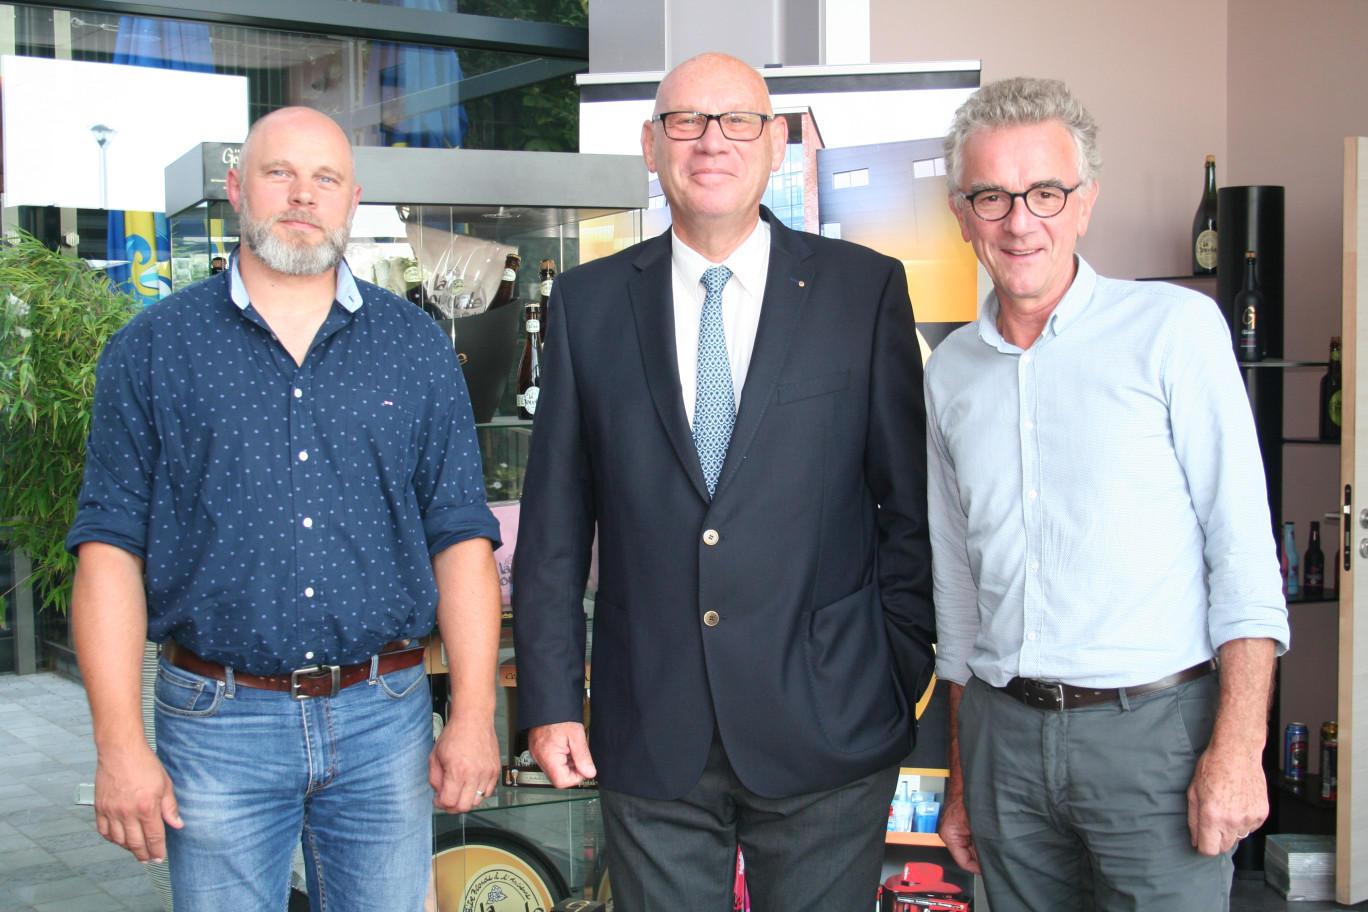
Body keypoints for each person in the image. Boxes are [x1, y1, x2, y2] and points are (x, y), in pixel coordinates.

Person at [511, 52, 935, 911]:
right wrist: (551, 702)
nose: (713, 141)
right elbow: (554, 526)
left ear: (775, 143)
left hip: (830, 719)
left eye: (738, 120)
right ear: (650, 144)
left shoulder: (864, 291)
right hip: (650, 726)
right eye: (687, 121)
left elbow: (909, 507)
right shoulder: (587, 306)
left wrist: (897, 666)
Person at [66, 106, 502, 912]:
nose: (303, 195)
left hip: (386, 718)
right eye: (279, 173)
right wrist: (118, 745)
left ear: (353, 198)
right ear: (236, 188)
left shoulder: (414, 347)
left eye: (325, 178)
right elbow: (108, 550)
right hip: (216, 722)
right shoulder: (155, 347)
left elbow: (461, 539)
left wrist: (473, 714)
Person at [925, 77, 1291, 911]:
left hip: (1157, 740)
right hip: (1001, 744)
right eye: (992, 196)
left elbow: (1242, 552)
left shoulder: (1175, 331)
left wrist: (1239, 748)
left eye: (1045, 193)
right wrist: (959, 776)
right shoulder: (948, 376)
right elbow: (958, 597)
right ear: (961, 213)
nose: (1021, 222)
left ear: (1084, 202)